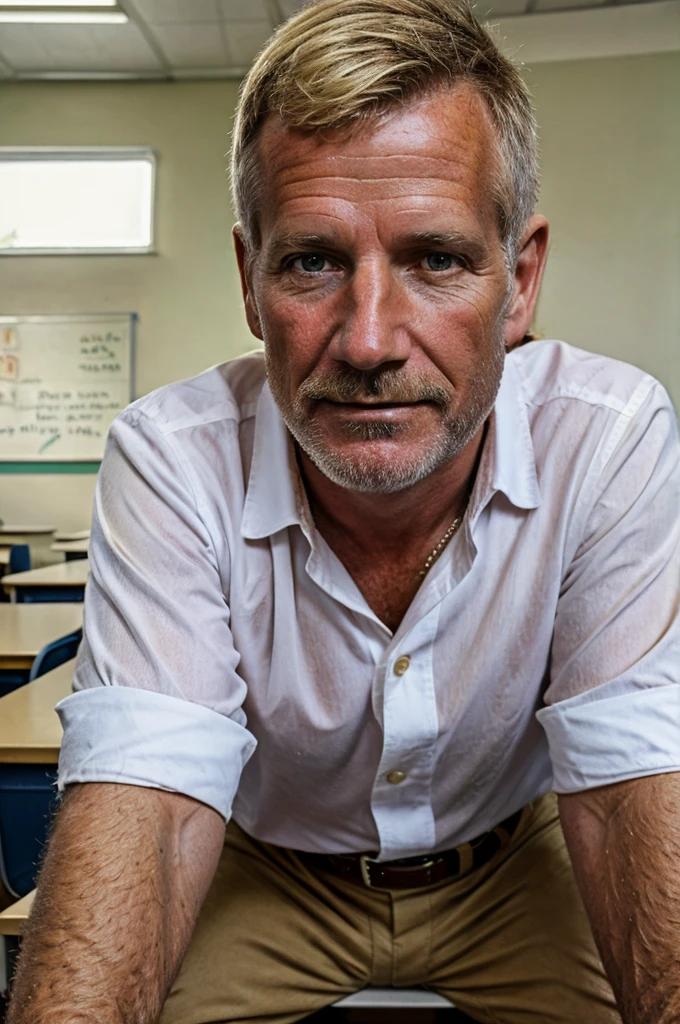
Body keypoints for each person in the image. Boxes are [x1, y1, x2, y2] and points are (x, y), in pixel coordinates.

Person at [7, 1, 680, 1022]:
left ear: (518, 281)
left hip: (513, 858)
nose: (368, 341)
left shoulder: (610, 434)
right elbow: (143, 801)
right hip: (264, 866)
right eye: (313, 260)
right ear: (250, 278)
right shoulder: (170, 456)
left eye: (436, 259)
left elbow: (634, 788)